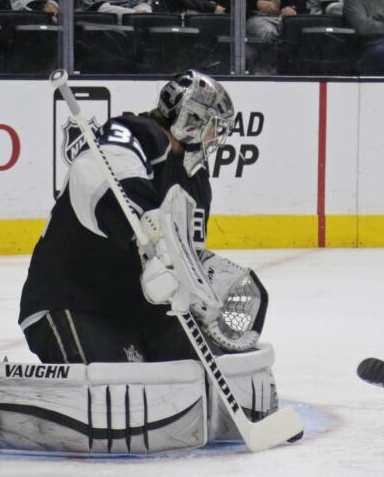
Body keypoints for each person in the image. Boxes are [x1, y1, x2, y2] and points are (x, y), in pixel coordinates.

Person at [18, 71, 237, 365]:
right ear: (191, 120)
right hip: (73, 300)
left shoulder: (194, 179)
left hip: (137, 309)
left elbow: (185, 259)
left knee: (202, 367)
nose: (215, 137)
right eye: (213, 126)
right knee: (121, 390)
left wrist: (200, 290)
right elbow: (104, 186)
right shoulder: (131, 133)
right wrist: (150, 230)